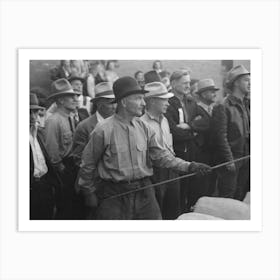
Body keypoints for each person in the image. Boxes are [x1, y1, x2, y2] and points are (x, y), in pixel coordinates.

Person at [77, 76, 211, 220]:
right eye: (138, 98)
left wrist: (190, 166)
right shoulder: (103, 130)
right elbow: (88, 164)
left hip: (144, 191)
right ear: (124, 102)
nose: (143, 103)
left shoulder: (144, 128)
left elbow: (161, 157)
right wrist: (88, 193)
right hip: (114, 194)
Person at [140, 82, 181, 219]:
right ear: (151, 101)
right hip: (155, 175)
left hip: (172, 171)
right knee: (158, 213)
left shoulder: (165, 120)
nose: (168, 103)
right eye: (164, 99)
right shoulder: (141, 124)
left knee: (174, 210)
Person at [211, 65, 250, 200]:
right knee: (227, 196)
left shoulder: (247, 103)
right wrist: (229, 160)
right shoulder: (223, 105)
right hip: (232, 159)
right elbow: (220, 137)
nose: (250, 83)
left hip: (246, 156)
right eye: (246, 80)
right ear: (236, 82)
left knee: (241, 194)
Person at [164, 69, 201, 211]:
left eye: (189, 83)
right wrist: (194, 133)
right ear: (173, 83)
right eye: (184, 83)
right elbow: (174, 132)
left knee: (190, 190)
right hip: (176, 154)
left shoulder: (190, 100)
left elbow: (205, 121)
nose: (188, 85)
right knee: (177, 194)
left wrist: (190, 126)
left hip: (191, 151)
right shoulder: (168, 102)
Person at [44, 78, 81, 219]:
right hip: (64, 169)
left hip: (74, 166)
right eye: (70, 96)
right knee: (66, 207)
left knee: (76, 205)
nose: (75, 99)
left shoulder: (70, 118)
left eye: (75, 95)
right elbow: (52, 150)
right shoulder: (53, 120)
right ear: (60, 100)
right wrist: (62, 169)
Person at [30, 93, 62, 219]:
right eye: (28, 112)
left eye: (35, 112)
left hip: (44, 187)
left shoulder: (39, 134)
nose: (32, 117)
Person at [71, 82, 116, 167]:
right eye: (110, 103)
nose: (114, 107)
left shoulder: (120, 123)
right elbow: (78, 158)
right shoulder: (84, 127)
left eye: (115, 102)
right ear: (98, 104)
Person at [189, 79, 220, 201]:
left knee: (211, 187)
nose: (215, 94)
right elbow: (196, 126)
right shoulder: (196, 109)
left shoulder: (214, 109)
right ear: (203, 94)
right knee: (200, 187)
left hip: (213, 155)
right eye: (211, 91)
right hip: (201, 154)